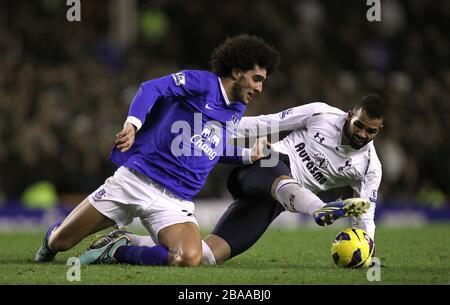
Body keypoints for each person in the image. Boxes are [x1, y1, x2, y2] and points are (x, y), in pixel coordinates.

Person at [34, 34, 281, 267]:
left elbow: (209, 147)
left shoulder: (236, 108)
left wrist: (248, 154)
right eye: (256, 79)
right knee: (61, 242)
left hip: (174, 201)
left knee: (189, 258)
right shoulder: (203, 83)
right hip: (136, 181)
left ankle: (118, 248)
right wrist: (132, 124)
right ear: (237, 73)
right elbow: (151, 88)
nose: (259, 88)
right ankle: (53, 237)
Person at [83, 94, 385, 266]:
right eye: (359, 125)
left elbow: (365, 215)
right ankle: (319, 209)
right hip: (265, 161)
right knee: (281, 176)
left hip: (276, 200)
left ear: (378, 130)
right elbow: (269, 122)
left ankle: (121, 246)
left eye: (370, 131)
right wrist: (218, 127)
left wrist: (366, 248)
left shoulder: (370, 167)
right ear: (349, 115)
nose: (362, 134)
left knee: (205, 257)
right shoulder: (322, 114)